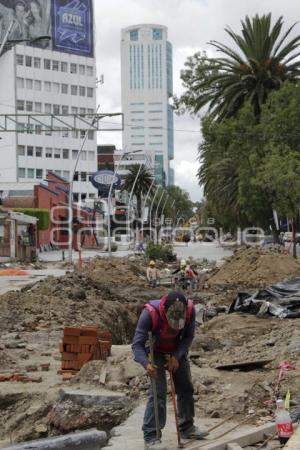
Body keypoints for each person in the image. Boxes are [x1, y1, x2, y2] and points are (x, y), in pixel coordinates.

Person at [132, 291, 208, 450]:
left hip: (176, 349)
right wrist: (146, 364)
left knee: (186, 387)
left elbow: (187, 337)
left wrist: (177, 356)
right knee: (158, 393)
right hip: (155, 351)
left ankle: (187, 427)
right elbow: (137, 345)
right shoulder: (149, 314)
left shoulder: (190, 311)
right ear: (164, 312)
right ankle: (151, 436)